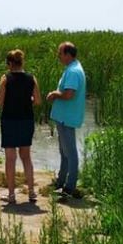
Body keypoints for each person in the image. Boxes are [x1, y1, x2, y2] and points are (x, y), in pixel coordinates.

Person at [0, 49, 42, 205]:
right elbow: (37, 101)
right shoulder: (31, 78)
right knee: (26, 157)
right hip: (26, 120)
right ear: (21, 62)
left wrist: (0, 95)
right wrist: (27, 98)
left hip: (9, 120)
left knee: (10, 158)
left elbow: (0, 101)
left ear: (9, 64)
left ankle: (11, 195)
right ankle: (31, 192)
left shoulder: (5, 78)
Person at [46, 41, 86, 198]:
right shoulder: (72, 68)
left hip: (67, 117)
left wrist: (55, 94)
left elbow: (69, 94)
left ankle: (69, 187)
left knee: (70, 152)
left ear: (68, 54)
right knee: (64, 152)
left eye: (60, 53)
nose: (58, 56)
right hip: (64, 116)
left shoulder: (74, 71)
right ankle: (61, 181)